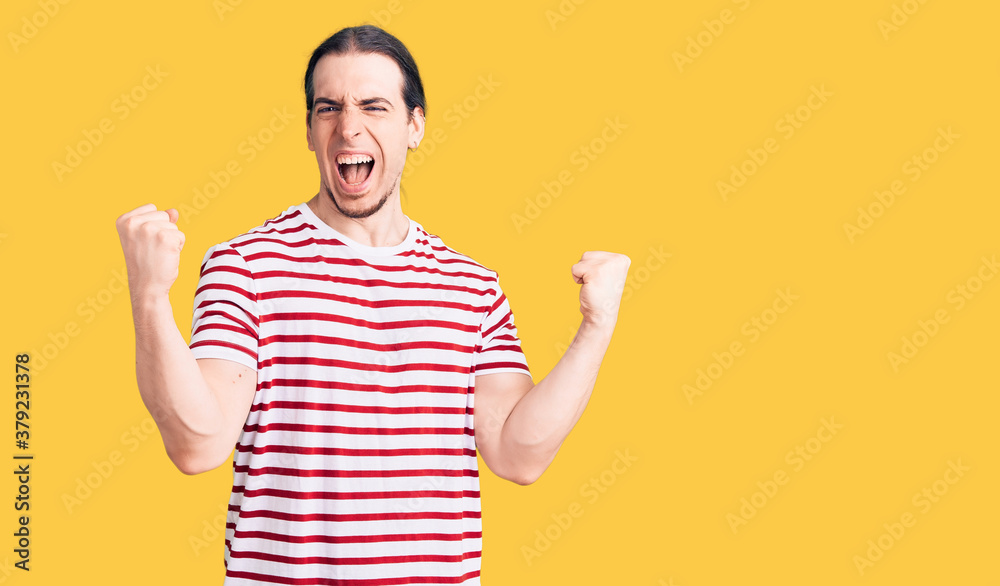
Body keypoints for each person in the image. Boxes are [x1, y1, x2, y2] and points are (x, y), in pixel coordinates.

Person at [115, 24, 629, 585]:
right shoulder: (247, 266)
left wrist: (596, 327)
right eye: (328, 108)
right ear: (310, 130)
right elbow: (198, 443)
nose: (348, 128)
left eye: (374, 107)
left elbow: (517, 454)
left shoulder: (472, 286)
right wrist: (149, 296)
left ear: (415, 125)